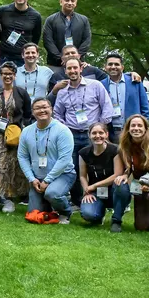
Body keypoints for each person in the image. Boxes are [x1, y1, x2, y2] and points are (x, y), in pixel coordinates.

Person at [53, 56, 114, 206]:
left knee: (96, 167)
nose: (72, 71)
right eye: (69, 68)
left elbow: (107, 107)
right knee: (73, 168)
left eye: (75, 67)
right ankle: (77, 201)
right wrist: (65, 128)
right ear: (65, 71)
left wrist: (99, 128)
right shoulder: (62, 91)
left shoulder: (95, 85)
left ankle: (100, 199)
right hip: (71, 135)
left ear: (81, 69)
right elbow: (57, 113)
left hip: (92, 135)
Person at [18, 97, 76, 224]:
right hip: (38, 178)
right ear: (33, 112)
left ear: (51, 109)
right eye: (37, 108)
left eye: (45, 107)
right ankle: (50, 204)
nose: (42, 110)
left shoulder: (62, 130)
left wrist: (47, 180)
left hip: (63, 174)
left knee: (52, 193)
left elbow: (64, 159)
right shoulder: (26, 131)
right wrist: (31, 179)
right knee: (34, 214)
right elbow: (22, 156)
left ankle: (66, 211)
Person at [0, 61, 32, 212]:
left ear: (15, 75)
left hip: (15, 135)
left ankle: (9, 199)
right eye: (4, 74)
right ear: (0, 75)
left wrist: (23, 129)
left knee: (12, 167)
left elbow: (27, 114)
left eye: (10, 74)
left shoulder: (21, 93)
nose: (7, 76)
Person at [78, 122, 125, 229]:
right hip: (95, 192)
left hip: (113, 190)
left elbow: (117, 174)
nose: (97, 136)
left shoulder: (115, 150)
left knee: (122, 187)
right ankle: (99, 215)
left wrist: (94, 186)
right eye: (94, 133)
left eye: (101, 133)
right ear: (89, 135)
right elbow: (82, 176)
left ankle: (116, 219)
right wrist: (87, 191)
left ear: (106, 134)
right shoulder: (83, 153)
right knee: (88, 214)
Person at [102, 52, 149, 143]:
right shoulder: (101, 85)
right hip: (112, 133)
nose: (113, 67)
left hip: (133, 131)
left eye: (116, 64)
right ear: (105, 67)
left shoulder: (135, 82)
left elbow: (145, 107)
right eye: (110, 64)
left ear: (122, 67)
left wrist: (144, 126)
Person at [0, 0, 42, 66]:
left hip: (24, 58)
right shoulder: (2, 11)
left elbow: (35, 39)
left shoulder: (35, 16)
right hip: (4, 57)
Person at [42, 0, 91, 69]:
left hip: (78, 63)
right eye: (67, 0)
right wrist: (61, 57)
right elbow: (48, 41)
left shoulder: (83, 20)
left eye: (72, 0)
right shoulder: (51, 20)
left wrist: (77, 56)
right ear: (61, 2)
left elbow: (87, 40)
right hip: (55, 63)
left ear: (76, 3)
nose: (70, 3)